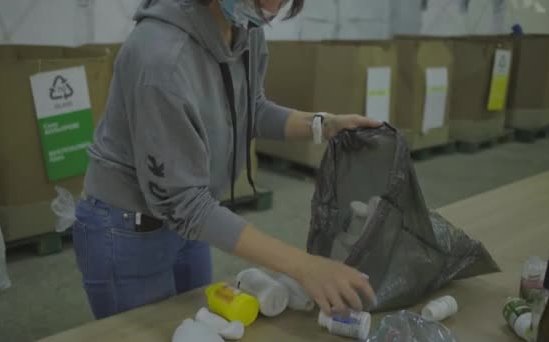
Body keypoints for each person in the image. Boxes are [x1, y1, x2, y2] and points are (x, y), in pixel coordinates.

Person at [72, 0, 381, 320]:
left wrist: (322, 124)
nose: (272, 10)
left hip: (188, 216)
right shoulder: (160, 59)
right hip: (128, 230)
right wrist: (304, 266)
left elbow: (251, 108)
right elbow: (185, 205)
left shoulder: (245, 28)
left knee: (200, 323)